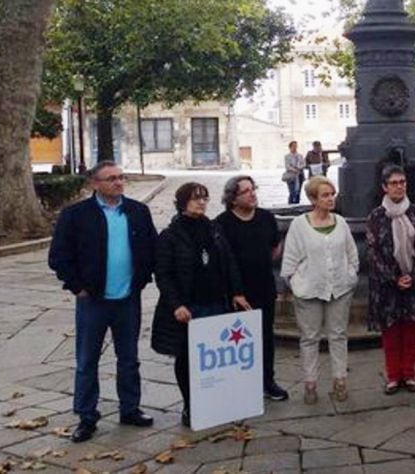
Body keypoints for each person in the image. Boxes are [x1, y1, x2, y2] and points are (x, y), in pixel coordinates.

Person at [49, 161, 157, 442]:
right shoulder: (75, 215)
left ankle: (130, 408)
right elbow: (59, 255)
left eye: (121, 178)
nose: (119, 183)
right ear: (95, 183)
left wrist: (141, 279)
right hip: (93, 301)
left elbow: (150, 248)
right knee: (87, 360)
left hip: (127, 299)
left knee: (129, 358)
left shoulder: (137, 211)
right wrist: (77, 287)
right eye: (111, 179)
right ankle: (86, 416)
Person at [150, 182, 251, 428]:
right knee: (187, 358)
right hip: (190, 307)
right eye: (196, 199)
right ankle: (190, 405)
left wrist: (237, 292)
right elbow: (163, 274)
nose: (201, 203)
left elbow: (228, 262)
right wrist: (176, 305)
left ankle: (217, 402)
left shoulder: (214, 229)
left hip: (216, 302)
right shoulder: (170, 235)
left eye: (205, 198)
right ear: (183, 202)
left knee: (217, 359)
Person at [281, 176, 359, 404]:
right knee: (309, 337)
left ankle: (340, 380)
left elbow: (352, 253)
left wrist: (352, 275)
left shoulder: (341, 222)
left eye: (332, 194)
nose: (330, 199)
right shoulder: (299, 225)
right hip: (309, 289)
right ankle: (310, 383)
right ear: (313, 199)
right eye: (325, 195)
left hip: (340, 288)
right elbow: (290, 258)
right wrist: (294, 282)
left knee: (338, 335)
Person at [216, 176, 289, 401]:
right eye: (245, 191)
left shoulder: (266, 217)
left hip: (264, 287)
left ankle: (268, 380)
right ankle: (240, 383)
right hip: (237, 291)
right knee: (239, 339)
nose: (252, 194)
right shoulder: (222, 223)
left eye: (253, 189)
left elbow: (276, 248)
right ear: (232, 198)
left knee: (266, 336)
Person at [367, 166, 415, 394]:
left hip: (414, 281)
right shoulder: (376, 216)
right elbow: (373, 252)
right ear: (384, 187)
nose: (399, 186)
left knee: (410, 328)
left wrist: (413, 275)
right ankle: (393, 375)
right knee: (391, 330)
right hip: (387, 284)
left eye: (402, 182)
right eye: (394, 183)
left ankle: (409, 373)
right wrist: (394, 277)